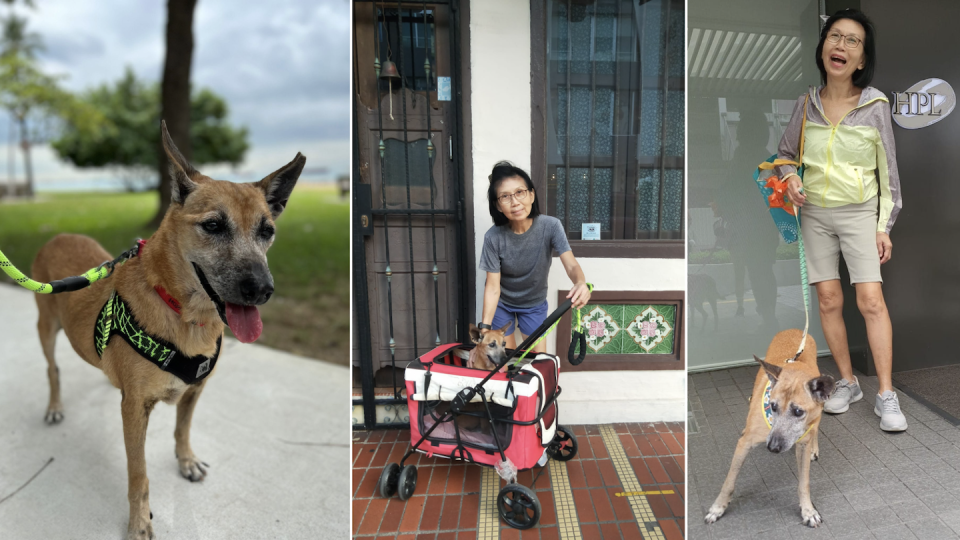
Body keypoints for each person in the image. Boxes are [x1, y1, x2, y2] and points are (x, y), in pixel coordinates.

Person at [776, 9, 904, 431]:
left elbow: (889, 175)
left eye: (853, 41)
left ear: (862, 59)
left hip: (860, 212)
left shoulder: (875, 106)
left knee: (870, 301)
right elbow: (782, 157)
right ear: (823, 47)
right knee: (829, 301)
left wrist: (883, 225)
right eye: (835, 37)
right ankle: (848, 382)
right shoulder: (805, 104)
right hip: (814, 214)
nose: (841, 46)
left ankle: (886, 393)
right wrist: (791, 176)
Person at [478, 161, 591, 363]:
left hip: (534, 304)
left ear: (531, 194)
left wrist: (580, 282)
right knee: (507, 363)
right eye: (505, 196)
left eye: (520, 192)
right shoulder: (493, 237)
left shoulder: (551, 226)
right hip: (503, 304)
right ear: (497, 205)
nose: (514, 202)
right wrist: (484, 330)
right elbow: (493, 287)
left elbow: (571, 264)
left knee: (537, 362)